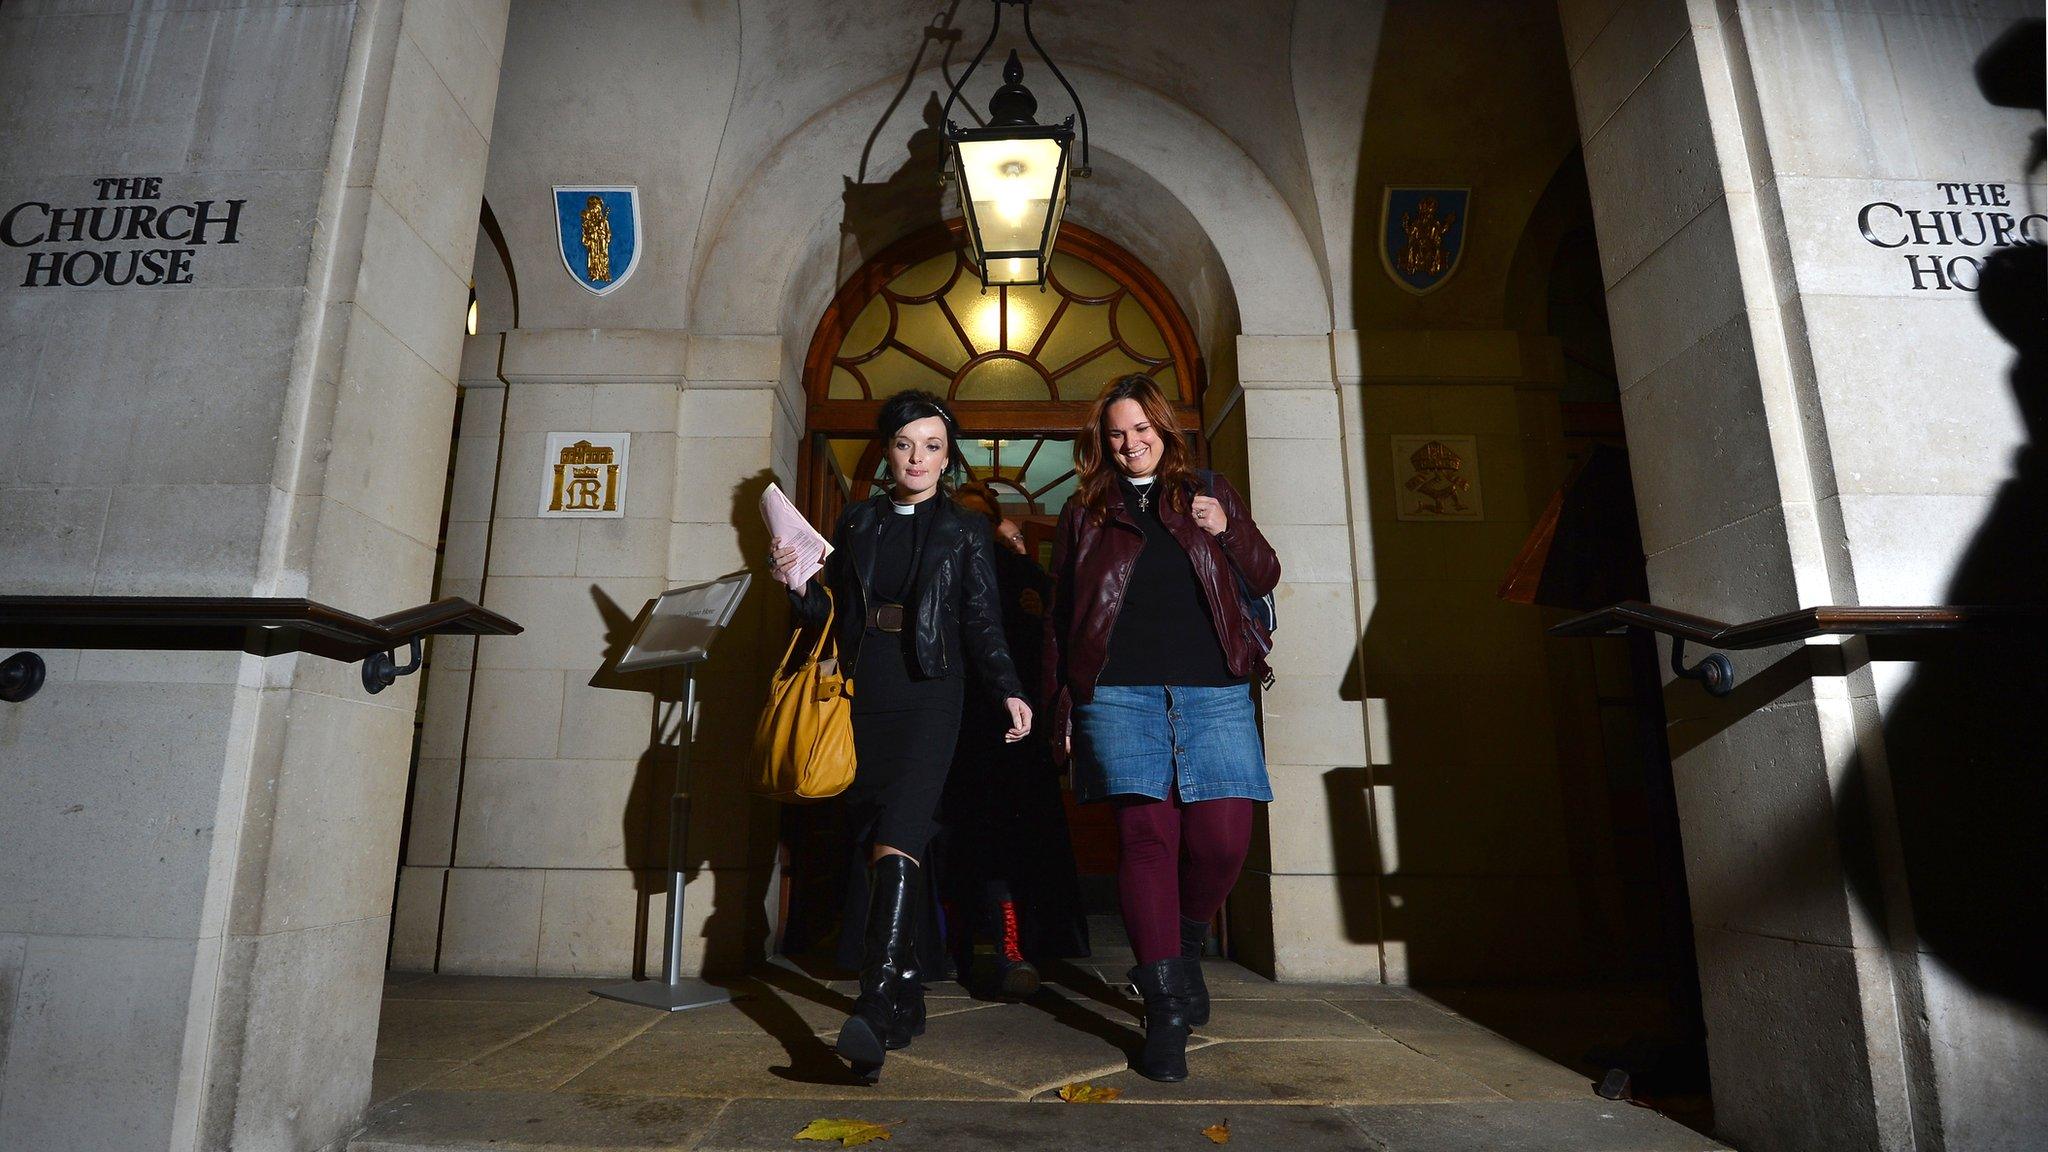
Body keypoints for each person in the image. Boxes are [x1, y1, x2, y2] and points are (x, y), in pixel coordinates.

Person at [768, 390, 1032, 1081]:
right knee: (874, 838)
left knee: (903, 831)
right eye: (906, 444)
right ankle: (908, 987)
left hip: (931, 693)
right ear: (887, 451)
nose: (918, 458)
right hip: (862, 691)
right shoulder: (858, 520)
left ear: (948, 457)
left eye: (933, 446)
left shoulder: (965, 529)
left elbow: (981, 619)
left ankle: (877, 1005)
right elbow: (830, 611)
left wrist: (1008, 688)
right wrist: (795, 582)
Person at [1043, 373, 1281, 1083]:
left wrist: (1226, 526)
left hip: (1214, 691)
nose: (1130, 443)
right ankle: (1166, 1008)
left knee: (1223, 838)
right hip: (1118, 694)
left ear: (1163, 430)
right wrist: (1056, 706)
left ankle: (1184, 937)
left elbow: (1264, 574)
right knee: (1146, 840)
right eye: (1117, 433)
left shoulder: (1206, 490)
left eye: (1141, 429)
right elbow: (1062, 618)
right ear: (1102, 441)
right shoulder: (1084, 511)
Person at [938, 483, 1090, 998]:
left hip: (1015, 736)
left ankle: (1013, 949)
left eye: (986, 520)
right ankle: (951, 952)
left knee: (1014, 845)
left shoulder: (1024, 575)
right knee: (955, 843)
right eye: (968, 518)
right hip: (955, 732)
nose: (977, 529)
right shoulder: (944, 570)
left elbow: (1048, 642)